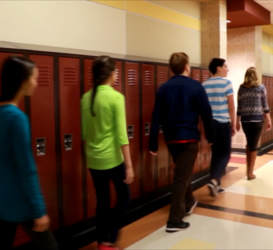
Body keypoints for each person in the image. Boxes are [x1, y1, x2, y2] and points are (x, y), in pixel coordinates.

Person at [0, 56, 58, 250]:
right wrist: (39, 210)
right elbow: (27, 168)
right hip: (21, 202)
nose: (36, 83)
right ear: (22, 81)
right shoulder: (17, 118)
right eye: (34, 78)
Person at [149, 52, 214, 233]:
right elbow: (206, 114)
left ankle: (190, 201)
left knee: (182, 173)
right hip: (188, 138)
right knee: (180, 178)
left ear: (172, 68)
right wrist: (211, 137)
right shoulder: (196, 87)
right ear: (187, 66)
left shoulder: (163, 88)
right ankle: (174, 221)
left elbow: (156, 117)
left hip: (171, 139)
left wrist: (153, 142)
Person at [81, 56, 133, 250]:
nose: (117, 74)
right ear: (111, 74)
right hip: (113, 160)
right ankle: (110, 237)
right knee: (124, 198)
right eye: (116, 70)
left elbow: (85, 133)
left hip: (94, 160)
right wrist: (129, 166)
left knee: (102, 201)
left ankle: (102, 241)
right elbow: (122, 135)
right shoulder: (116, 97)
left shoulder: (86, 98)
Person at [203, 58, 236, 197]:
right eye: (225, 67)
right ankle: (214, 179)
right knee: (225, 154)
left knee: (215, 154)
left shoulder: (204, 84)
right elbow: (231, 106)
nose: (227, 69)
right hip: (222, 123)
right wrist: (233, 124)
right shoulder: (227, 83)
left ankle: (217, 184)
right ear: (218, 68)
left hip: (210, 124)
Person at [236, 67, 271, 180]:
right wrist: (269, 120)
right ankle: (250, 172)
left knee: (249, 143)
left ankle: (248, 169)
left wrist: (236, 121)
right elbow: (265, 105)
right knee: (254, 144)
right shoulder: (261, 87)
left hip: (245, 120)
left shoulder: (241, 88)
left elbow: (239, 106)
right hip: (257, 120)